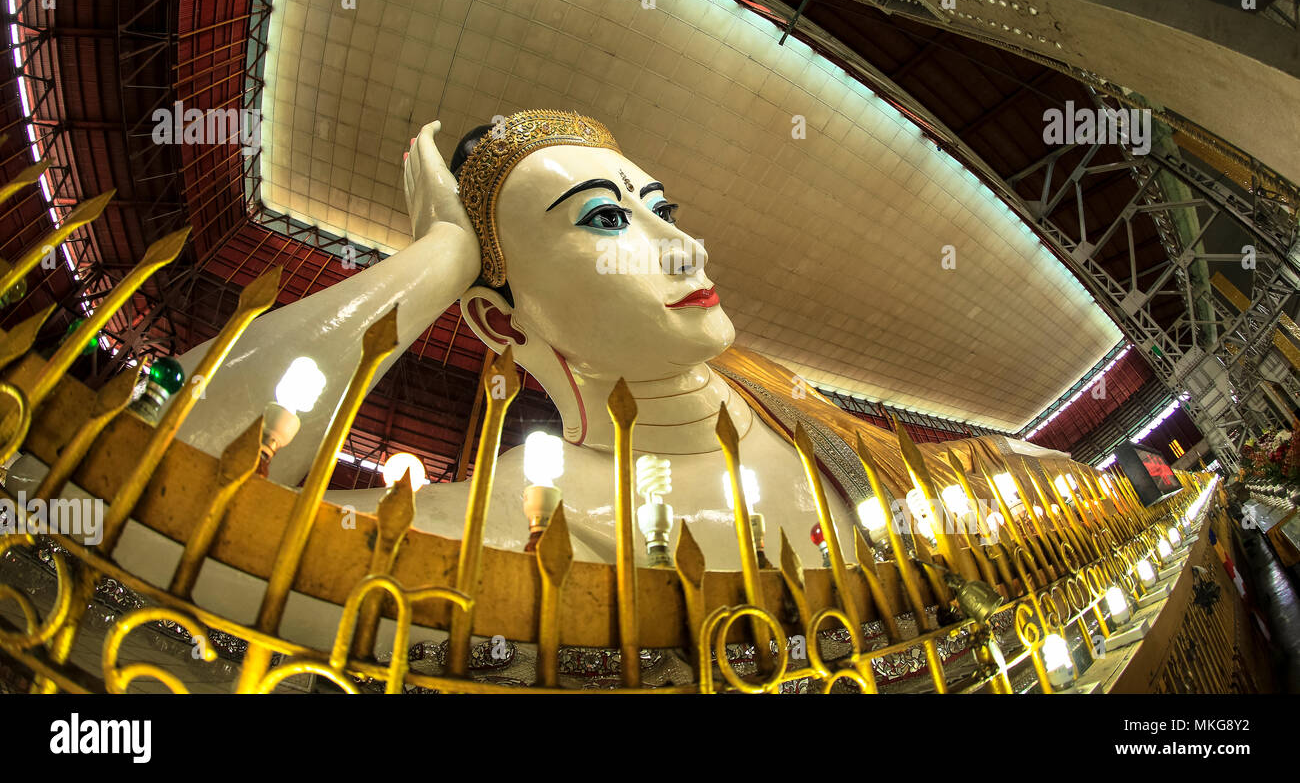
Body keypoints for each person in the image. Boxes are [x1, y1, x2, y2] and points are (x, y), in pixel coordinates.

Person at [171, 109, 1003, 568]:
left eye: (661, 211)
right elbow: (167, 482)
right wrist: (439, 261)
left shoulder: (788, 407)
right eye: (607, 219)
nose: (687, 248)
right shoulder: (539, 511)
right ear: (502, 321)